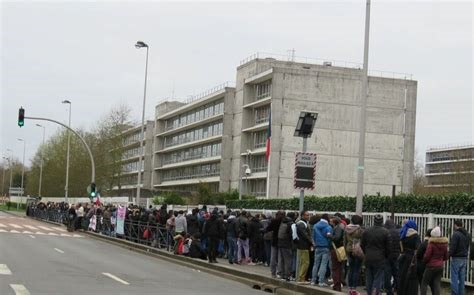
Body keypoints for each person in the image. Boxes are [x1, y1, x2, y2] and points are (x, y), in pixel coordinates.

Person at [361, 214, 391, 295]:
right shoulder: (386, 232)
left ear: (374, 221)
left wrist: (366, 253)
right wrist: (385, 256)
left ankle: (369, 293)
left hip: (368, 257)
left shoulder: (366, 231)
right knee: (377, 278)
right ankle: (375, 293)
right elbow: (388, 248)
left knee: (369, 278)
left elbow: (362, 245)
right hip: (380, 258)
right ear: (382, 221)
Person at [420, 226, 448, 295]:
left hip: (430, 266)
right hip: (440, 266)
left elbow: (427, 256)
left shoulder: (431, 244)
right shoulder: (444, 244)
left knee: (424, 283)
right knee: (437, 283)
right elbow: (446, 256)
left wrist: (424, 261)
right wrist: (440, 260)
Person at [398, 220, 421, 295]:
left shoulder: (402, 233)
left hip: (403, 257)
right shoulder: (415, 235)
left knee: (402, 276)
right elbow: (418, 248)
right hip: (412, 259)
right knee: (412, 277)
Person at [449, 219, 471, 295]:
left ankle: (455, 294)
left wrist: (448, 255)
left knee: (454, 278)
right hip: (464, 258)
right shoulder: (467, 234)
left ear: (455, 225)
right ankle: (461, 293)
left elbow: (453, 248)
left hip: (456, 258)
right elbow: (468, 246)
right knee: (462, 278)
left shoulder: (456, 234)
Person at [311, 213, 332, 287]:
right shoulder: (328, 227)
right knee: (323, 264)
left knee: (315, 264)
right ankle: (321, 281)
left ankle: (313, 280)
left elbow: (313, 237)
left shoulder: (315, 226)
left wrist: (314, 244)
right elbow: (329, 238)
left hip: (317, 247)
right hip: (325, 247)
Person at [295, 210, 314, 284]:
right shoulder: (301, 224)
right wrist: (312, 242)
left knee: (303, 262)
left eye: (308, 215)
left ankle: (301, 278)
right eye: (307, 215)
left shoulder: (304, 223)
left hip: (304, 245)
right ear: (302, 216)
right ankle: (301, 279)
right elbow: (305, 235)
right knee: (305, 262)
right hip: (303, 246)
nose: (308, 216)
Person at [384, 219, 401, 295]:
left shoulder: (385, 232)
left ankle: (389, 291)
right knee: (396, 274)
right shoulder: (398, 232)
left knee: (387, 274)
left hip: (387, 256)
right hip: (396, 255)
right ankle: (398, 289)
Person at [277, 211, 295, 281]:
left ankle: (282, 274)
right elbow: (293, 235)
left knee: (282, 260)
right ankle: (287, 275)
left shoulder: (283, 222)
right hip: (287, 244)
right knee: (288, 260)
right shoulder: (291, 224)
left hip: (280, 243)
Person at [330, 216, 345, 291]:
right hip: (340, 249)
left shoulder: (338, 228)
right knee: (339, 267)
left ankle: (337, 285)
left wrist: (330, 236)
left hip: (336, 249)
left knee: (336, 268)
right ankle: (338, 284)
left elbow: (337, 238)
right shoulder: (342, 226)